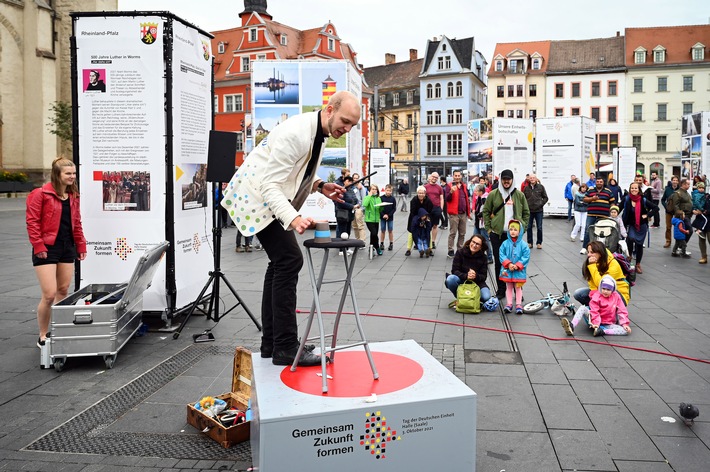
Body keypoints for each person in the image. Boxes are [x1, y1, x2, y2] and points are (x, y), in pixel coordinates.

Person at [221, 90, 360, 367]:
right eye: (345, 121)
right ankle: (284, 345)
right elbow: (269, 185)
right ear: (329, 110)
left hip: (267, 198)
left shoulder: (316, 130)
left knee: (280, 264)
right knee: (289, 260)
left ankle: (273, 344)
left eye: (352, 126)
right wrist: (294, 218)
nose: (346, 129)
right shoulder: (297, 132)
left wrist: (321, 186)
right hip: (258, 199)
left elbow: (298, 167)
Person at [26, 157, 87, 347]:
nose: (72, 177)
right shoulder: (40, 194)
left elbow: (76, 223)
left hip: (67, 247)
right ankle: (43, 334)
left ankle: (59, 329)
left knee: (63, 291)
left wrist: (81, 244)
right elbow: (32, 222)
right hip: (47, 248)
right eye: (68, 174)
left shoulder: (73, 196)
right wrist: (38, 246)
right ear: (57, 174)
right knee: (49, 294)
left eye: (74, 173)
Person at [482, 169, 530, 300]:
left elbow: (526, 213)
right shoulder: (493, 194)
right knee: (500, 262)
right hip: (497, 234)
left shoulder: (519, 195)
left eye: (509, 179)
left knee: (516, 262)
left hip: (514, 236)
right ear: (501, 180)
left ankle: (517, 290)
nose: (506, 181)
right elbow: (485, 211)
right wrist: (489, 229)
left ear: (512, 180)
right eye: (504, 179)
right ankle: (501, 290)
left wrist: (523, 228)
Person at [561, 275, 631, 337]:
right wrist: (596, 323)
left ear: (612, 290)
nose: (605, 291)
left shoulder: (616, 296)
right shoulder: (597, 296)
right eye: (603, 289)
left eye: (608, 290)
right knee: (583, 308)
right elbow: (594, 311)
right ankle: (572, 325)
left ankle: (602, 331)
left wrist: (625, 324)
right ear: (601, 288)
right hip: (594, 321)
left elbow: (622, 310)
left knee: (625, 331)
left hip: (608, 323)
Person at [574, 241, 630, 307]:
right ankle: (598, 309)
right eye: (588, 252)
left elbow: (602, 284)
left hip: (618, 294)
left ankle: (608, 310)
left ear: (600, 253)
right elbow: (592, 284)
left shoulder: (613, 264)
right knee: (578, 294)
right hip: (601, 292)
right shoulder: (595, 261)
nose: (588, 255)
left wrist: (592, 266)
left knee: (603, 293)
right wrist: (594, 299)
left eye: (592, 252)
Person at [446, 234, 492, 304]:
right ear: (470, 242)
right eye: (473, 242)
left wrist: (475, 276)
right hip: (462, 280)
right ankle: (461, 297)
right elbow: (455, 271)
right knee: (450, 279)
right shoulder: (460, 252)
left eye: (477, 244)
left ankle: (473, 298)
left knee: (486, 297)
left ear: (481, 247)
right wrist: (466, 276)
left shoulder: (483, 257)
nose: (474, 245)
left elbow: (483, 276)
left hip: (477, 283)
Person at [621, 183, 657, 274]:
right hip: (631, 225)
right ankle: (628, 260)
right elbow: (618, 208)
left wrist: (647, 215)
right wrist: (612, 214)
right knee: (630, 238)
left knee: (639, 245)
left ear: (639, 190)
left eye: (635, 188)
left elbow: (656, 208)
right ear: (630, 189)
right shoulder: (626, 199)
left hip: (642, 226)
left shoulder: (643, 200)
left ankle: (638, 264)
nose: (634, 190)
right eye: (632, 188)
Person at [498, 220, 529, 314]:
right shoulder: (505, 243)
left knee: (518, 287)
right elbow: (501, 254)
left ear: (519, 231)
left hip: (518, 270)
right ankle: (509, 303)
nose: (512, 231)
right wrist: (508, 264)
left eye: (515, 229)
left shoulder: (523, 245)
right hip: (507, 269)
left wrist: (518, 265)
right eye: (511, 229)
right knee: (509, 286)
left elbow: (526, 256)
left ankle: (519, 304)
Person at [581, 177, 615, 254]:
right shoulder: (590, 190)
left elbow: (612, 201)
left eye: (601, 181)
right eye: (598, 181)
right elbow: (584, 199)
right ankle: (584, 247)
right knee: (588, 230)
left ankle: (602, 248)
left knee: (603, 232)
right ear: (595, 182)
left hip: (604, 215)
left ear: (603, 183)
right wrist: (592, 199)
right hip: (591, 214)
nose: (599, 183)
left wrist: (613, 210)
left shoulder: (608, 191)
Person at [444, 170, 470, 257]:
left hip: (463, 213)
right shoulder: (449, 186)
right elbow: (447, 199)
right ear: (453, 176)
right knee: (453, 233)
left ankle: (460, 249)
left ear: (461, 176)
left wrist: (468, 212)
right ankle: (450, 250)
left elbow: (467, 197)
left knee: (462, 233)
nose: (457, 177)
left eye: (459, 175)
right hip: (454, 213)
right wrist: (451, 192)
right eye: (456, 175)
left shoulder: (464, 186)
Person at [405, 186, 434, 256]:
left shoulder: (428, 201)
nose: (421, 195)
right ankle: (408, 249)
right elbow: (413, 211)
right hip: (414, 218)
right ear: (417, 193)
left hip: (425, 218)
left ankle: (430, 249)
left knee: (428, 232)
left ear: (425, 193)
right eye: (419, 193)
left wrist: (425, 218)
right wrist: (418, 219)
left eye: (422, 193)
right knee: (411, 233)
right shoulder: (414, 200)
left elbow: (430, 210)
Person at [522, 174, 548, 249]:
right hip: (529, 211)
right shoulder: (526, 188)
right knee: (529, 227)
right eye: (531, 178)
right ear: (529, 179)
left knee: (539, 227)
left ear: (536, 179)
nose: (532, 179)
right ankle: (530, 242)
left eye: (533, 178)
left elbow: (545, 197)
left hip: (539, 210)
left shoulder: (541, 187)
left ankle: (539, 243)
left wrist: (541, 204)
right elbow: (523, 199)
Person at [472, 184, 494, 264]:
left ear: (481, 192)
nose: (475, 192)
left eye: (476, 191)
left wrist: (481, 214)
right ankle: (477, 256)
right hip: (478, 222)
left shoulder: (485, 198)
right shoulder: (479, 198)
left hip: (483, 223)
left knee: (485, 241)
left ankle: (489, 257)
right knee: (475, 239)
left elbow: (487, 210)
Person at [424, 173, 444, 251]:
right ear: (430, 177)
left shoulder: (439, 188)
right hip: (427, 209)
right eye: (433, 177)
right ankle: (427, 241)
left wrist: (441, 208)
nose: (434, 178)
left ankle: (433, 241)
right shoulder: (425, 187)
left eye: (436, 177)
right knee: (427, 226)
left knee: (435, 226)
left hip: (436, 208)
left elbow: (442, 198)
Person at [335, 175, 358, 243]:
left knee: (348, 231)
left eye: (351, 181)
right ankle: (341, 249)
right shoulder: (341, 190)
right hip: (342, 214)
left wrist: (357, 204)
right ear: (344, 182)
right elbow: (340, 202)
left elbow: (355, 199)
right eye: (348, 181)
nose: (350, 183)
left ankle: (346, 247)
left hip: (350, 214)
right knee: (342, 232)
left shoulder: (351, 190)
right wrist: (352, 206)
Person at [362, 184, 383, 256]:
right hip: (369, 219)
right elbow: (364, 204)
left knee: (373, 234)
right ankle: (377, 247)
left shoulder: (378, 198)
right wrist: (369, 195)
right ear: (370, 190)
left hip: (376, 219)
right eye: (373, 189)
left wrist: (382, 207)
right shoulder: (367, 197)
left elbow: (380, 209)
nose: (374, 190)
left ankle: (371, 247)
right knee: (374, 233)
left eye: (375, 189)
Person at [692, 183, 710, 264]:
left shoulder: (706, 196)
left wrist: (705, 211)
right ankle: (704, 256)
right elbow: (693, 204)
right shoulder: (700, 195)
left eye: (703, 188)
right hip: (700, 220)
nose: (702, 189)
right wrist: (694, 210)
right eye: (700, 188)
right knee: (701, 239)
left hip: (708, 220)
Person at [661, 175, 680, 248]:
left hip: (677, 211)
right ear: (671, 181)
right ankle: (668, 241)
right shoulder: (668, 189)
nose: (675, 182)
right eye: (673, 180)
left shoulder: (680, 190)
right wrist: (666, 206)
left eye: (676, 180)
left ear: (678, 182)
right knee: (668, 227)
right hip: (669, 211)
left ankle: (678, 242)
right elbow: (663, 200)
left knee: (678, 227)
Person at [379, 184, 396, 251]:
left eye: (390, 191)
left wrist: (389, 215)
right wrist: (383, 215)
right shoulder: (381, 198)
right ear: (385, 190)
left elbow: (394, 208)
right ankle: (382, 243)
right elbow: (379, 207)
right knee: (383, 230)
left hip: (390, 217)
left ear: (391, 191)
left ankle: (391, 243)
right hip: (382, 216)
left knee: (390, 230)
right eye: (387, 190)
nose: (388, 192)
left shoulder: (393, 199)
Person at [351, 173, 367, 243]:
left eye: (357, 178)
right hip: (352, 208)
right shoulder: (351, 187)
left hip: (359, 208)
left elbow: (363, 198)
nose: (355, 179)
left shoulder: (361, 188)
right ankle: (357, 240)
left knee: (360, 225)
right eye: (354, 178)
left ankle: (362, 241)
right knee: (354, 226)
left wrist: (362, 209)